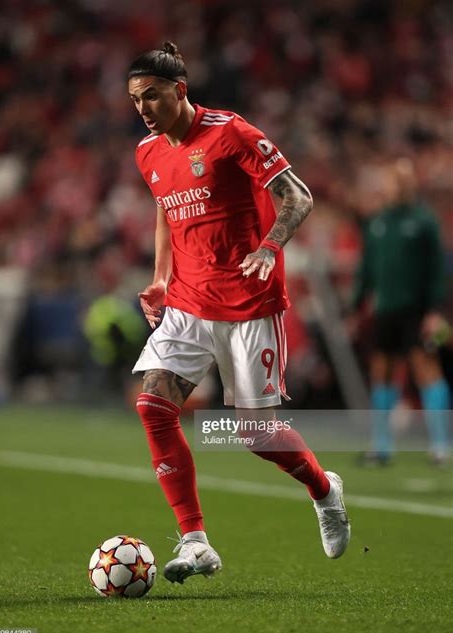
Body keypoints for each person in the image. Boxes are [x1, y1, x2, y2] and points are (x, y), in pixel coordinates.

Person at [129, 42, 351, 584]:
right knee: (154, 406)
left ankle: (324, 489)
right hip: (187, 300)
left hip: (250, 302)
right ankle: (195, 540)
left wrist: (269, 248)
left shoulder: (232, 133)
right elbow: (166, 209)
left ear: (180, 90)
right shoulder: (148, 152)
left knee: (255, 433)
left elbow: (297, 197)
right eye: (135, 99)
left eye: (152, 96)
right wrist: (160, 278)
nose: (143, 108)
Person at [352, 158, 451, 466]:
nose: (396, 186)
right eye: (393, 180)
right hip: (386, 310)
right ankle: (381, 445)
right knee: (380, 373)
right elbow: (366, 270)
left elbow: (438, 269)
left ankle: (440, 444)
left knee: (426, 370)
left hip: (417, 311)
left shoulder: (424, 221)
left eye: (401, 180)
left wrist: (436, 310)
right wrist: (356, 305)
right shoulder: (377, 223)